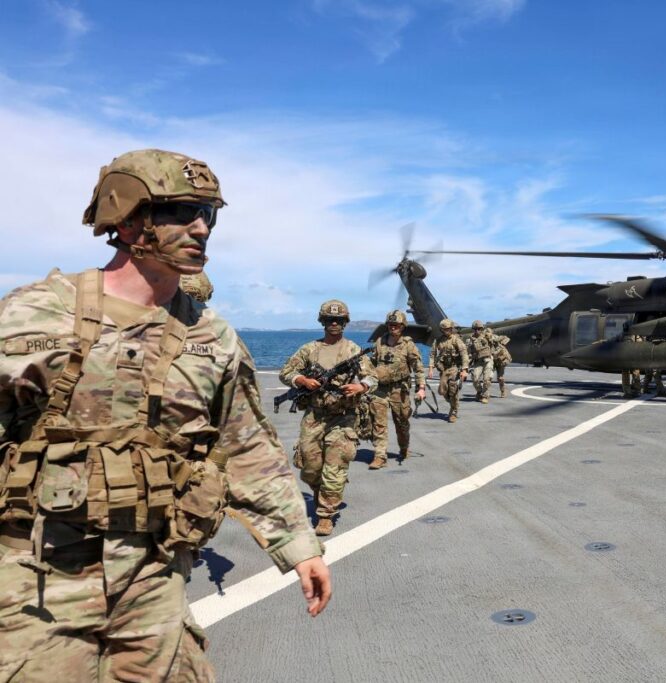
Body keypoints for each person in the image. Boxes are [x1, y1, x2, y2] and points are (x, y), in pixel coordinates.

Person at [0, 149, 330, 680]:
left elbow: (246, 446)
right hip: (36, 584)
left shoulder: (212, 337)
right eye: (182, 212)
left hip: (153, 578)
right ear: (128, 218)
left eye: (209, 215)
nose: (202, 228)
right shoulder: (34, 313)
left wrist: (298, 546)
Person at [279, 300, 377, 535]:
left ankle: (325, 515)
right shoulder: (309, 349)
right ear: (322, 321)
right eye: (330, 320)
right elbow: (286, 372)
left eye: (339, 320)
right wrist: (302, 380)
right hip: (314, 416)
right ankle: (319, 492)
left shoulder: (353, 350)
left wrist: (361, 386)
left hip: (343, 417)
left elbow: (372, 377)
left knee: (335, 467)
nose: (334, 324)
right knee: (310, 467)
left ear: (345, 323)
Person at [368, 310, 426, 468]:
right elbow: (371, 363)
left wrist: (421, 388)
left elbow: (418, 368)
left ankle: (404, 447)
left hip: (399, 390)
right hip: (380, 389)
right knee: (378, 422)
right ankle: (380, 456)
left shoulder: (408, 345)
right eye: (390, 325)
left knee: (401, 423)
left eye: (396, 325)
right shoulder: (380, 342)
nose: (393, 327)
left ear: (402, 326)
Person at [427, 319, 468, 423]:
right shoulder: (438, 341)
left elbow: (464, 354)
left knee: (453, 390)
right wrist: (431, 368)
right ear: (441, 330)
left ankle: (453, 412)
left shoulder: (456, 340)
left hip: (454, 368)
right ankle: (454, 404)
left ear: (451, 329)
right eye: (444, 329)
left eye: (449, 329)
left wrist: (464, 370)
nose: (447, 331)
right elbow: (432, 354)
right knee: (443, 392)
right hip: (444, 369)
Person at [467, 320, 493, 403]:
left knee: (487, 379)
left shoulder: (487, 336)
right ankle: (479, 391)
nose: (477, 331)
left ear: (482, 329)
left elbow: (496, 343)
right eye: (475, 329)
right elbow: (467, 352)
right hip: (478, 361)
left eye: (479, 329)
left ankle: (485, 396)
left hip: (487, 360)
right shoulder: (470, 340)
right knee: (475, 378)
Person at [489, 329, 512, 398]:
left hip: (500, 361)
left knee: (500, 378)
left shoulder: (496, 338)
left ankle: (503, 391)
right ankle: (486, 392)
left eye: (489, 333)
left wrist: (501, 342)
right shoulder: (485, 340)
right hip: (492, 361)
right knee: (489, 377)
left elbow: (507, 338)